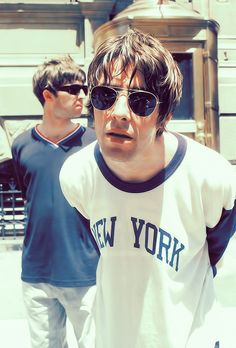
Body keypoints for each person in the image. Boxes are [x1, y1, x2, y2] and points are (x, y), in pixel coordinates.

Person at [60, 29, 236, 348]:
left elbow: (213, 253)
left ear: (164, 116)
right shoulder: (77, 175)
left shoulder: (210, 178)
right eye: (105, 95)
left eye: (141, 101)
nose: (119, 112)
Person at [11, 55, 99, 348]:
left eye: (84, 88)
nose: (83, 96)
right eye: (74, 90)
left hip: (86, 271)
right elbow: (31, 197)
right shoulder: (21, 144)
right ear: (48, 95)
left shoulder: (95, 144)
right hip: (37, 273)